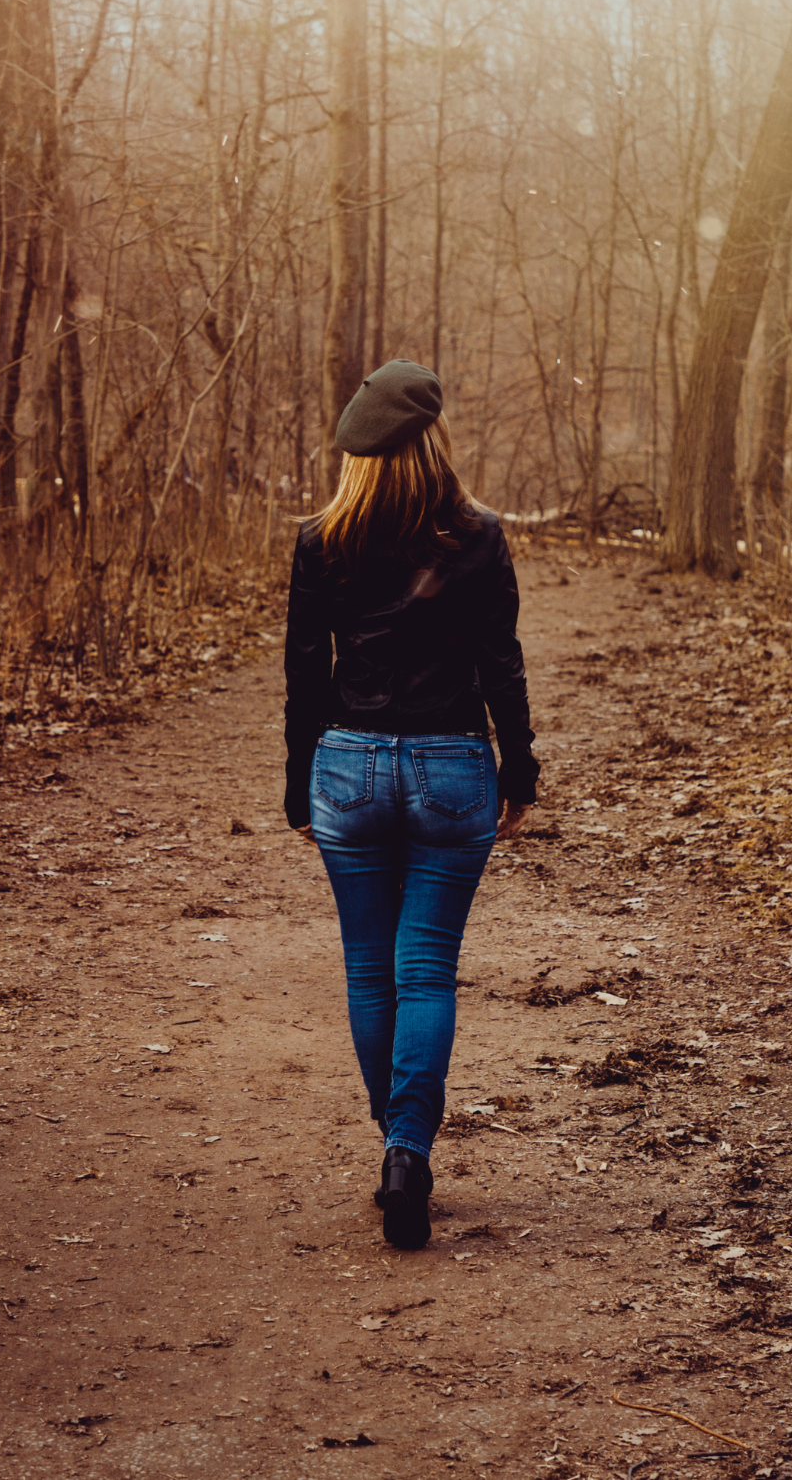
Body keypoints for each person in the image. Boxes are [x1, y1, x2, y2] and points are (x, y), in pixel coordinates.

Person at [284, 359, 538, 1251]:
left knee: (367, 969)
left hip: (347, 766)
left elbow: (303, 672)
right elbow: (501, 660)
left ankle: (393, 1143)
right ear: (434, 442)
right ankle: (406, 1148)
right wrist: (521, 772)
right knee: (425, 968)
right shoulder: (478, 535)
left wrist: (296, 780)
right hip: (451, 767)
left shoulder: (322, 538)